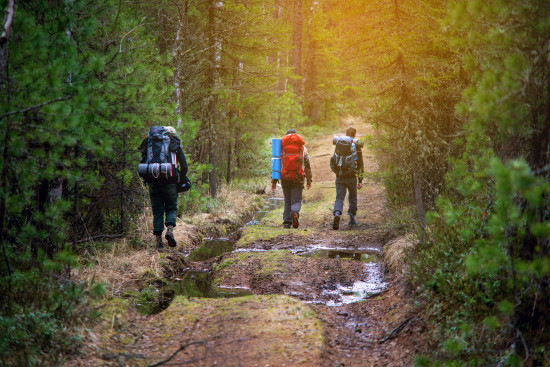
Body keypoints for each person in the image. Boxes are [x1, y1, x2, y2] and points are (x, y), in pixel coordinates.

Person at [139, 126, 188, 249]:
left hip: (153, 182)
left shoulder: (149, 143)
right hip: (170, 181)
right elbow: (185, 166)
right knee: (171, 207)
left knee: (157, 210)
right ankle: (170, 230)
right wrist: (181, 178)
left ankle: (159, 241)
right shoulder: (174, 143)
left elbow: (143, 162)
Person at [271, 129, 313, 229]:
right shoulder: (302, 148)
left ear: (286, 137)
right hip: (298, 178)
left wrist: (274, 181)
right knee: (296, 200)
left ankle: (286, 222)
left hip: (285, 178)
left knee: (287, 200)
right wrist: (309, 180)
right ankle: (294, 213)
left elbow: (276, 165)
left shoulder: (280, 147)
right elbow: (307, 165)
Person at [331, 126, 364, 230]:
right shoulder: (356, 145)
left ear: (345, 134)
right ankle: (352, 219)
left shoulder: (339, 143)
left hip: (340, 176)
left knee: (339, 197)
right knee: (352, 197)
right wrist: (360, 180)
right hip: (351, 177)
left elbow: (334, 159)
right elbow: (360, 164)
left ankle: (337, 213)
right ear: (354, 135)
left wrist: (337, 172)